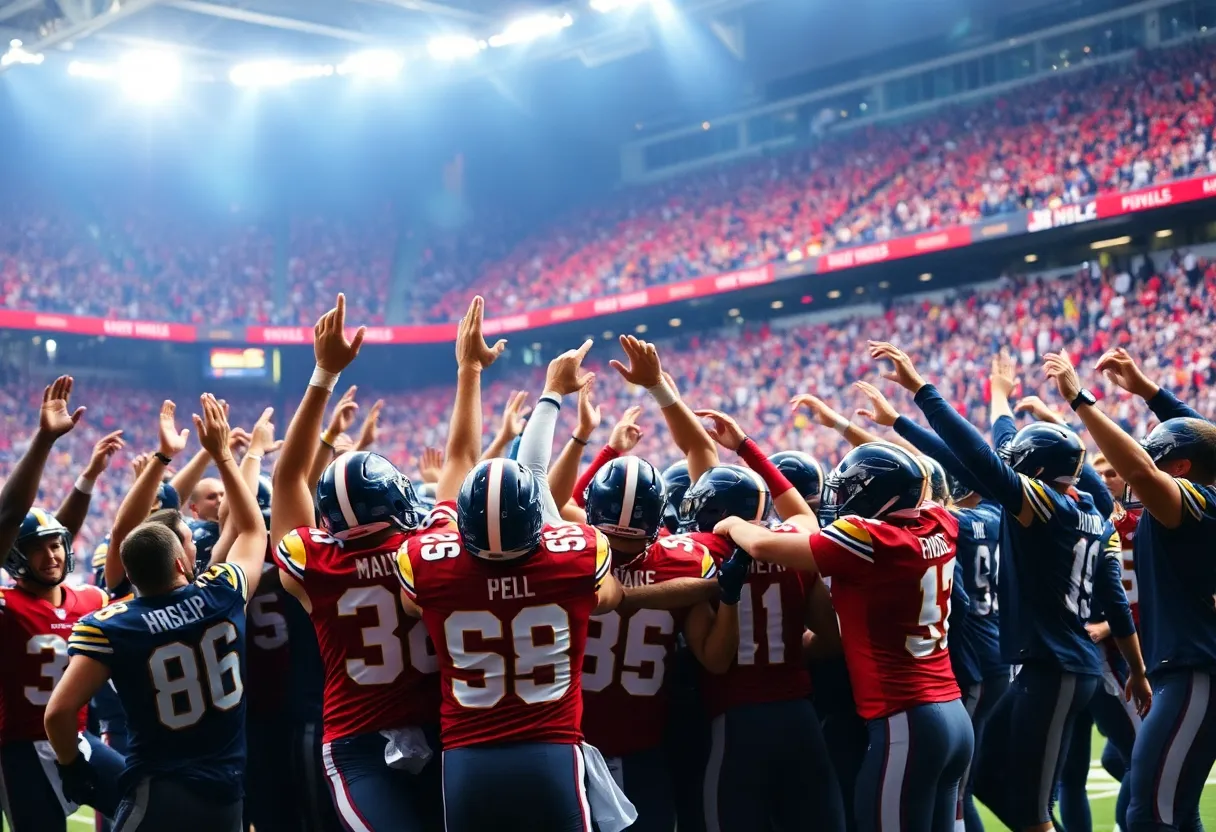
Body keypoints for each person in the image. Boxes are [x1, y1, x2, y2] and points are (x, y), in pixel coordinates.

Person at [872, 340, 1150, 832]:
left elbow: (976, 456)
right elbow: (1112, 596)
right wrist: (1138, 669)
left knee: (1033, 811)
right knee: (984, 776)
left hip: (1055, 667)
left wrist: (921, 390)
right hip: (1057, 665)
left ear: (1036, 472)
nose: (1008, 467)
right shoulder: (1089, 509)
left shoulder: (1044, 509)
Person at [271, 295, 502, 832]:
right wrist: (469, 369)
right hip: (446, 733)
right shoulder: (428, 546)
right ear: (400, 497)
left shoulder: (315, 563)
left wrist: (324, 373)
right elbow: (462, 459)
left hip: (358, 744)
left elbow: (287, 478)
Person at [717, 441, 972, 832]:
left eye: (848, 490)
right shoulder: (942, 522)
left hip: (906, 718)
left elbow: (763, 545)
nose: (839, 501)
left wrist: (735, 524)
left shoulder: (869, 539)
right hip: (952, 714)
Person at [44, 392, 268, 832]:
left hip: (159, 792)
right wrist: (225, 456)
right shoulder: (222, 594)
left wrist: (72, 767)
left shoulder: (113, 625)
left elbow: (57, 715)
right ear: (183, 563)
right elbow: (251, 529)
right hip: (227, 793)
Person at [1044, 349, 1216, 832]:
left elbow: (1142, 471)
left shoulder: (1197, 503)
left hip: (1193, 672)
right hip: (1184, 670)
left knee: (1149, 815)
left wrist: (1081, 400)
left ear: (1179, 469)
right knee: (1175, 812)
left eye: (1157, 458)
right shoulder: (1201, 493)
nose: (1143, 466)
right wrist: (1147, 391)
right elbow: (1206, 444)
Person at [684, 410, 846, 832]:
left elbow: (715, 660)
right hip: (799, 715)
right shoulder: (790, 544)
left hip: (736, 719)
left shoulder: (696, 554)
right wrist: (744, 446)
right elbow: (831, 637)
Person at [581, 455, 743, 831]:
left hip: (581, 744)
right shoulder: (685, 561)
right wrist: (726, 593)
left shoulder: (574, 554)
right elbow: (716, 659)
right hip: (636, 745)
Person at [0, 377, 126, 832]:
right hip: (20, 748)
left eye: (56, 546)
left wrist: (88, 479)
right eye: (38, 550)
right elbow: (10, 518)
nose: (52, 556)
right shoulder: (6, 605)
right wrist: (44, 440)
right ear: (16, 557)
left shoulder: (87, 598)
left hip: (76, 738)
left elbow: (55, 534)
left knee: (143, 800)